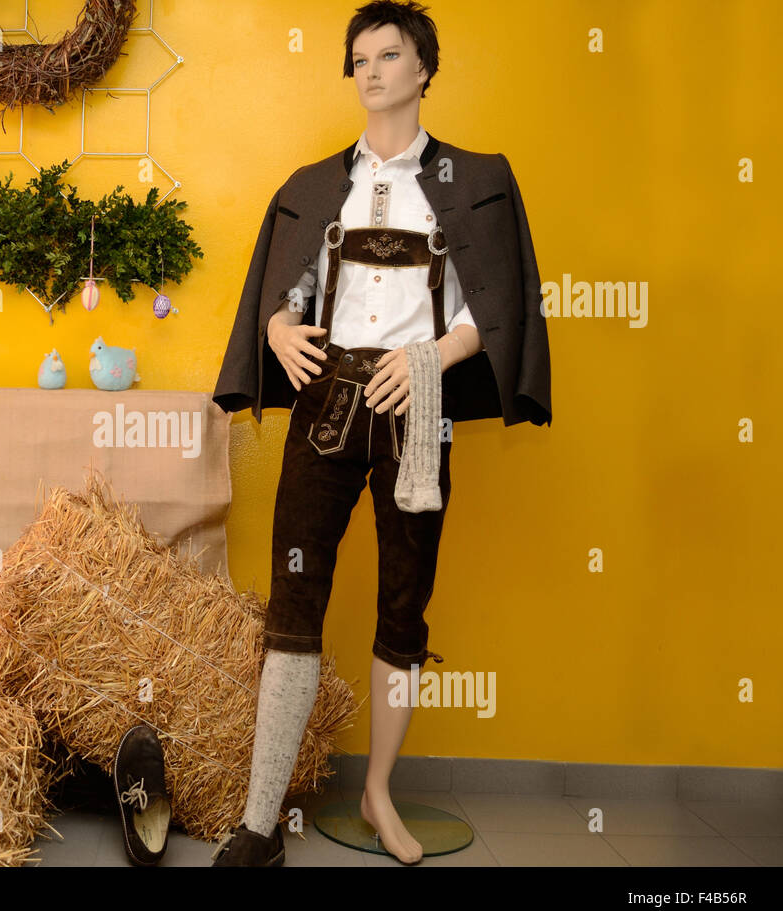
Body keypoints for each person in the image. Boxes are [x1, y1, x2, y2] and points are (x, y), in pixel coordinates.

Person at [211, 1, 551, 865]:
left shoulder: (478, 178)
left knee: (404, 610)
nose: (369, 70)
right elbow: (278, 295)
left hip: (419, 407)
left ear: (423, 69)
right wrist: (279, 331)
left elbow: (495, 311)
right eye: (358, 57)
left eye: (388, 55)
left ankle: (378, 795)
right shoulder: (314, 184)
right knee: (295, 604)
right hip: (325, 406)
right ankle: (258, 824)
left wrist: (435, 357)